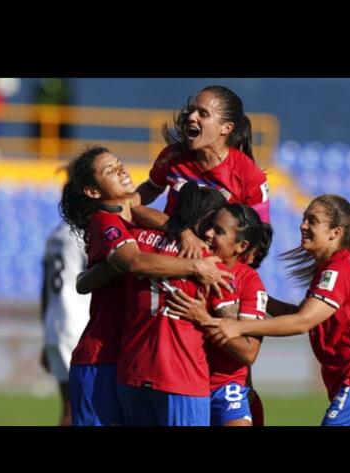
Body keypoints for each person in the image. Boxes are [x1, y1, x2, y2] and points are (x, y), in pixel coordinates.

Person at [173, 194, 350, 426]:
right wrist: (255, 296)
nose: (303, 225)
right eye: (304, 218)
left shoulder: (339, 270)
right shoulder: (336, 268)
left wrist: (238, 326)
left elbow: (303, 322)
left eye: (312, 221)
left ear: (335, 233)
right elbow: (301, 314)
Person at [58, 146, 233, 426]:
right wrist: (197, 266)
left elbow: (145, 206)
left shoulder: (133, 217)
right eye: (110, 171)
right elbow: (136, 263)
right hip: (101, 357)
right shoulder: (105, 221)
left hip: (128, 360)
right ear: (92, 192)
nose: (121, 171)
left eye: (119, 164)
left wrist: (184, 232)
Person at [133, 85, 271, 260]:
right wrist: (127, 205)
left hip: (214, 264)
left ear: (226, 128)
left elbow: (259, 234)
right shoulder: (172, 156)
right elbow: (152, 188)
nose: (191, 117)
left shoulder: (250, 175)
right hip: (170, 250)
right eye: (192, 110)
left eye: (203, 114)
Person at [165, 204, 272, 426]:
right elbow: (137, 209)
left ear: (241, 246)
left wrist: (204, 319)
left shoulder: (249, 282)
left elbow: (248, 353)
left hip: (225, 386)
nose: (208, 234)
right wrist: (184, 233)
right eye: (210, 226)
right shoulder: (187, 261)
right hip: (181, 382)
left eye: (219, 231)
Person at [39, 221, 90, 426]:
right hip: (80, 321)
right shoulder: (83, 233)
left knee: (69, 407)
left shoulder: (54, 235)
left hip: (56, 322)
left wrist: (46, 335)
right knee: (87, 406)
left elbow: (45, 290)